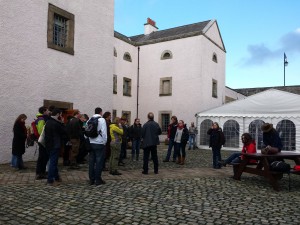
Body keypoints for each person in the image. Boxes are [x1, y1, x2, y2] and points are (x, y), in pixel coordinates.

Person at [45, 108, 68, 186]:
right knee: (53, 163)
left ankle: (56, 177)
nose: (61, 116)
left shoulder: (48, 122)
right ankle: (50, 180)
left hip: (49, 144)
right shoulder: (56, 123)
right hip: (55, 144)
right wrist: (62, 122)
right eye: (61, 114)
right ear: (58, 114)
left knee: (53, 161)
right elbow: (64, 131)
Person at [88, 107, 107, 185]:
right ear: (101, 112)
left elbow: (87, 132)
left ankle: (91, 179)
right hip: (99, 143)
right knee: (99, 162)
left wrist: (89, 141)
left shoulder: (90, 119)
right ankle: (98, 179)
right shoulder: (102, 120)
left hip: (91, 142)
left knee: (91, 162)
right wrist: (104, 142)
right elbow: (104, 132)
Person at [35, 106, 50, 179]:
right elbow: (41, 131)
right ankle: (40, 173)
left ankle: (41, 172)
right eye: (47, 110)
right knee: (42, 157)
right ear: (44, 111)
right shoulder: (41, 119)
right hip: (43, 141)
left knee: (43, 157)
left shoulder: (42, 118)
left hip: (43, 141)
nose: (48, 112)